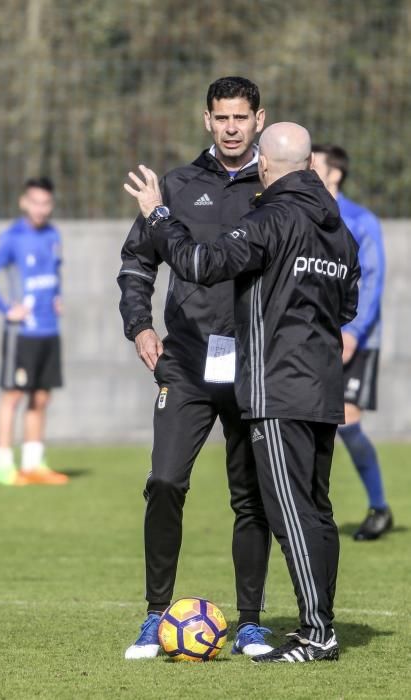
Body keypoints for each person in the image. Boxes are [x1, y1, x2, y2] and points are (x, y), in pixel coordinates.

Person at [124, 121, 360, 663]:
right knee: (316, 510)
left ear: (269, 164)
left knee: (286, 511)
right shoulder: (337, 228)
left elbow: (201, 263)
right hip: (320, 383)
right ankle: (318, 622)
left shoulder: (274, 215)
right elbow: (344, 306)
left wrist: (159, 215)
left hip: (272, 382)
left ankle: (313, 631)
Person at [118, 77, 273, 659]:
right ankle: (156, 616)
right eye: (222, 118)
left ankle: (252, 622)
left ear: (259, 119)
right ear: (207, 120)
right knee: (163, 482)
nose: (231, 128)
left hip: (252, 363)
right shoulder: (177, 187)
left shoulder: (278, 185)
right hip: (183, 361)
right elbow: (137, 262)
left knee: (251, 496)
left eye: (241, 117)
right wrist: (140, 324)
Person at [312, 144, 393, 541]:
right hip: (311, 335)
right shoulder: (302, 212)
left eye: (315, 163)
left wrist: (353, 333)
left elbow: (373, 281)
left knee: (347, 422)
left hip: (352, 338)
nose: (307, 167)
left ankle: (379, 507)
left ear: (336, 174)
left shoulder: (361, 219)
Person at [0, 177, 69, 486]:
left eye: (46, 202)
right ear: (23, 202)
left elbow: (53, 271)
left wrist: (57, 297)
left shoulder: (53, 234)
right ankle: (4, 465)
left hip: (49, 329)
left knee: (41, 397)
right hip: (22, 332)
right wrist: (6, 308)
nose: (41, 208)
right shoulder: (12, 237)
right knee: (12, 396)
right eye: (35, 202)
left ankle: (33, 463)